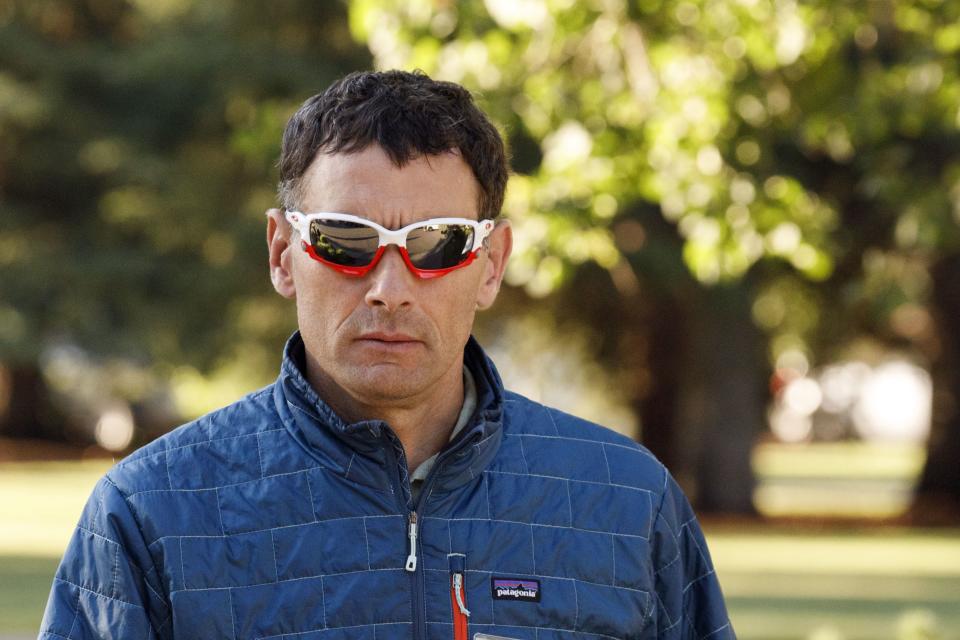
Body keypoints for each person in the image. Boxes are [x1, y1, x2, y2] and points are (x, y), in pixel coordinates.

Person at [39, 70, 733, 640]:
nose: (389, 290)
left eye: (438, 244)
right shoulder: (150, 515)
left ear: (491, 264)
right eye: (346, 239)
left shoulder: (627, 501)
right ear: (283, 254)